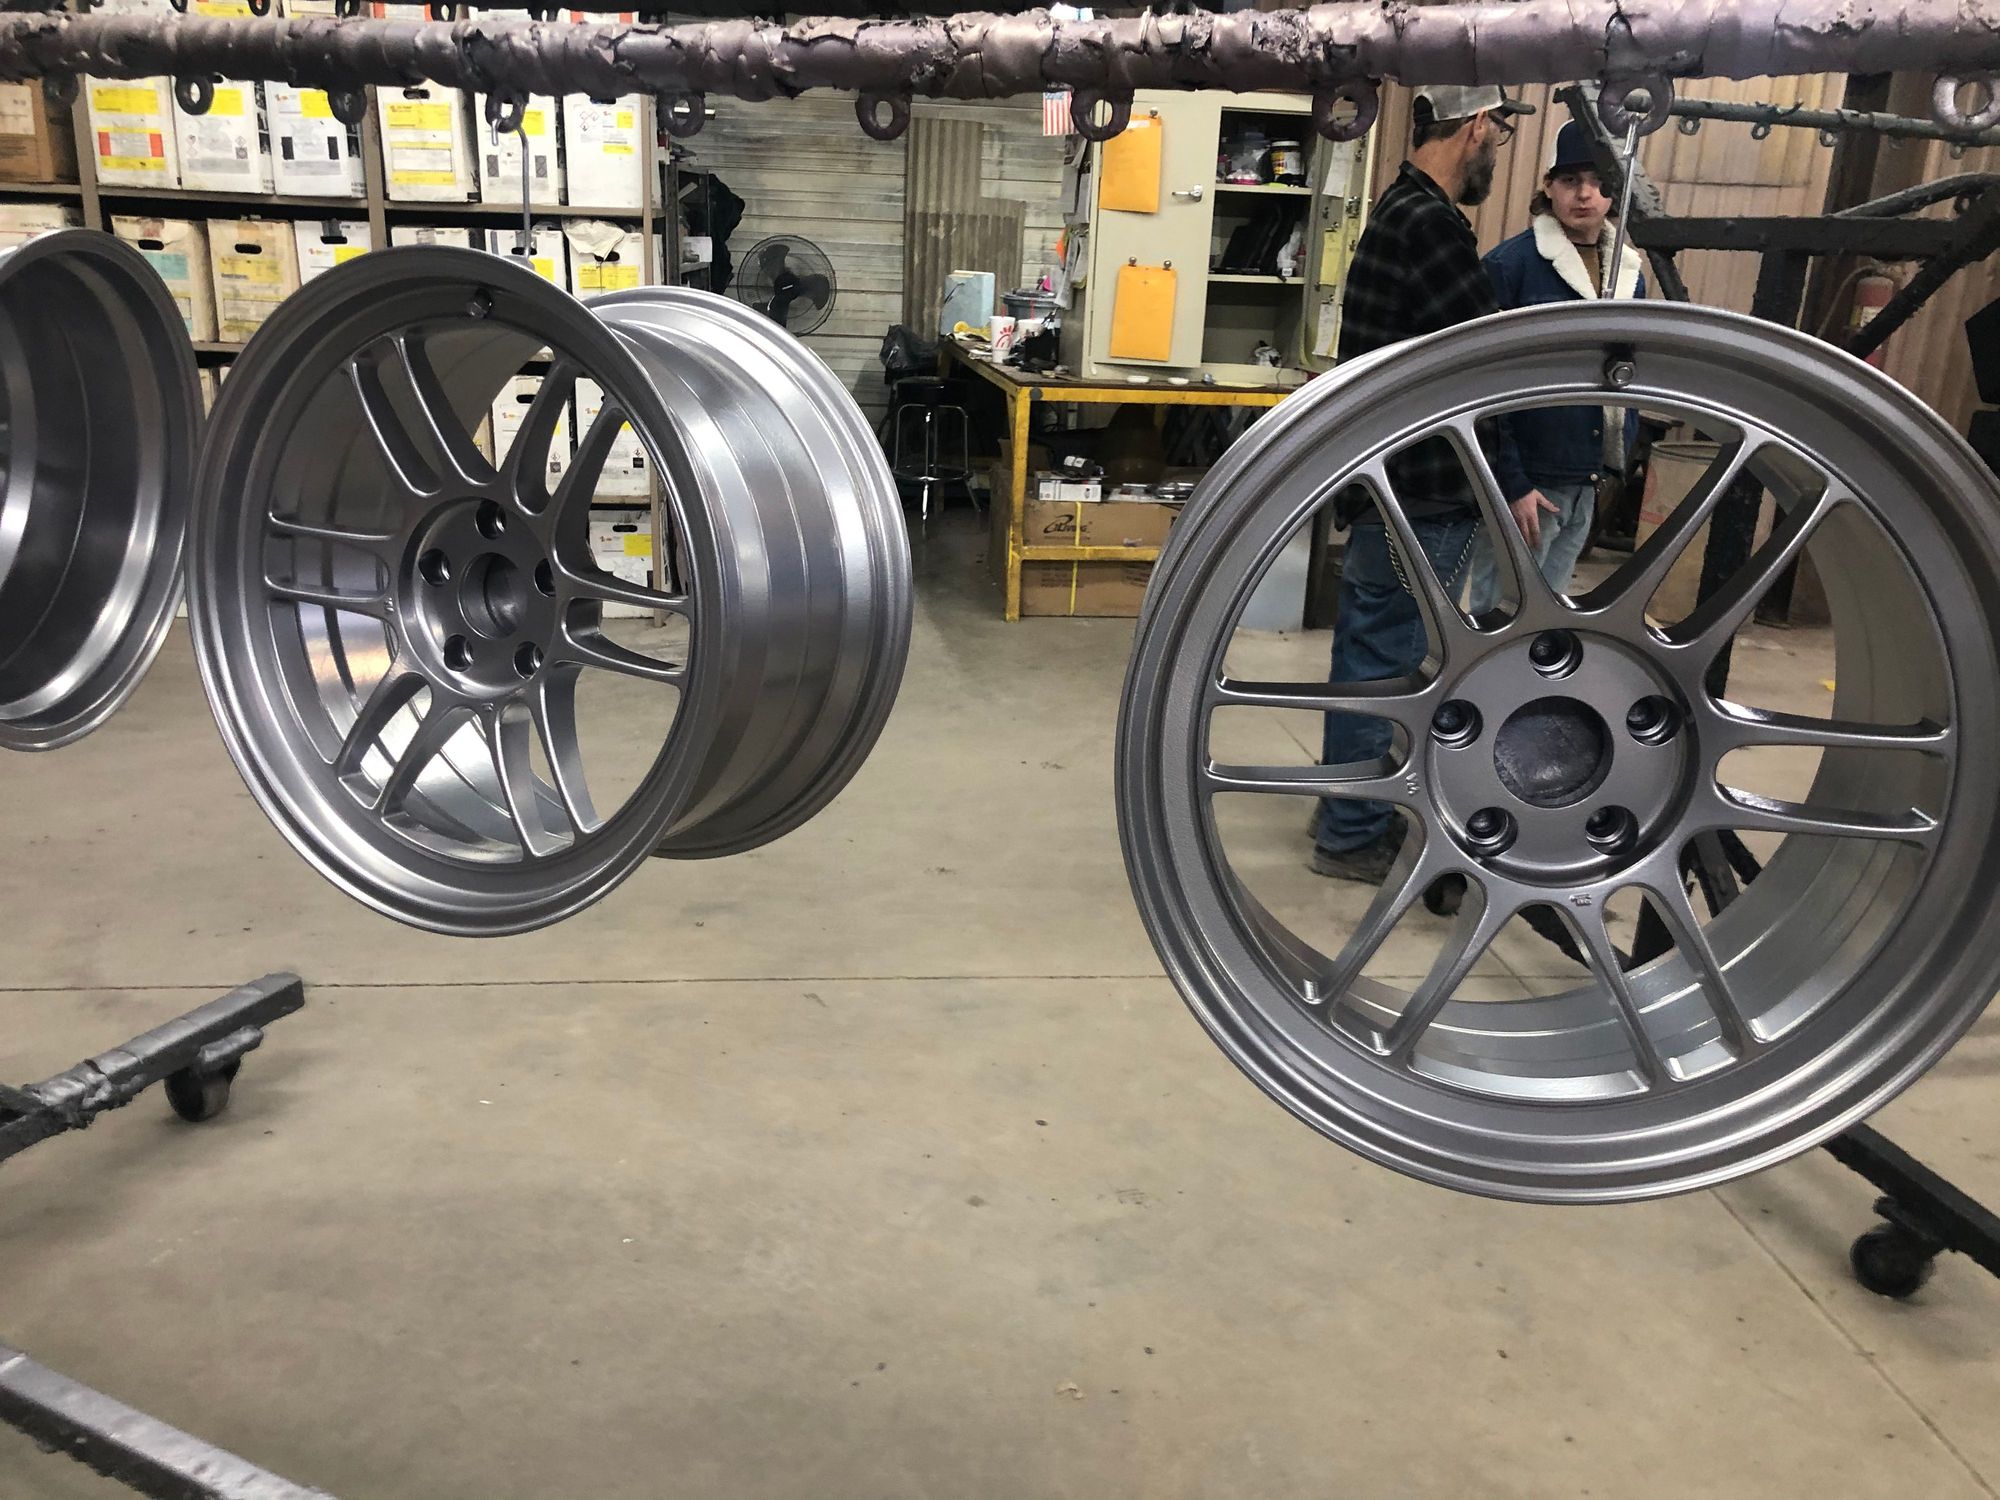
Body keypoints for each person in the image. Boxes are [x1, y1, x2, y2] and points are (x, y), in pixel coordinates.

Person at [1312, 84, 1542, 883]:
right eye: (1498, 135)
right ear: (1476, 126)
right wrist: (1513, 478)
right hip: (1425, 499)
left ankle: (1342, 810)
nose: (1494, 155)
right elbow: (1481, 370)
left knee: (1368, 649)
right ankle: (1351, 835)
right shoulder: (1434, 226)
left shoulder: (1394, 209)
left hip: (1388, 486)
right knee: (1389, 660)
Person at [1467, 121, 1647, 616]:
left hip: (1588, 472)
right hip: (1529, 476)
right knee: (1499, 614)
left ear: (1615, 190)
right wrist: (1511, 482)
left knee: (1550, 616)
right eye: (1570, 180)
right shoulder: (1511, 267)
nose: (1584, 194)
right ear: (1548, 186)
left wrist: (1614, 463)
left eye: (1597, 181)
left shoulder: (1629, 273)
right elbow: (1483, 384)